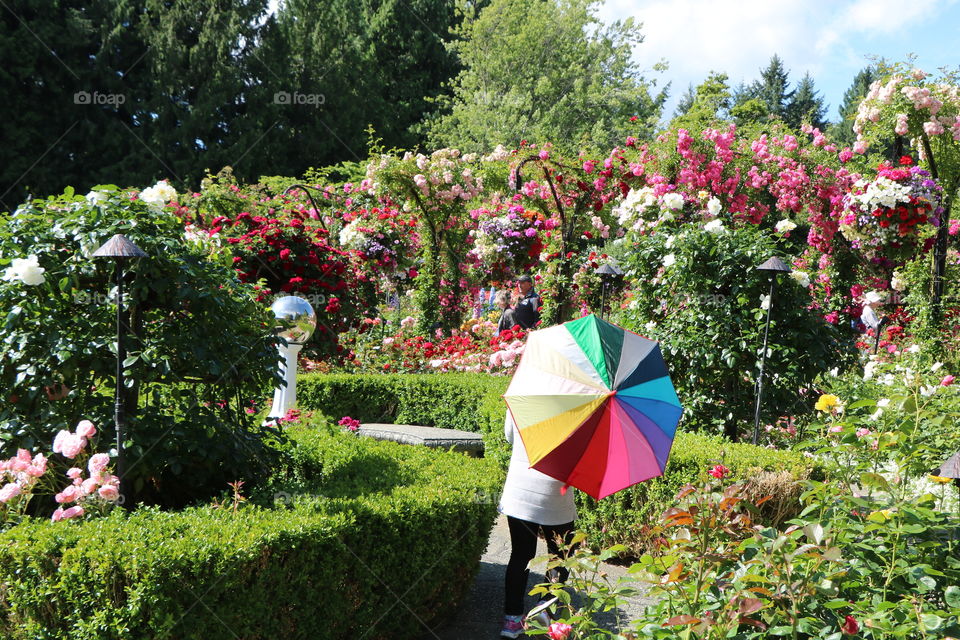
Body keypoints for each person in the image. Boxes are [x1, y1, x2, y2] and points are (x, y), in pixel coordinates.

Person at [498, 412, 576, 638]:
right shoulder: (578, 405)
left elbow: (510, 436)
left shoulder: (525, 392)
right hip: (555, 491)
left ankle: (511, 620)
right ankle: (546, 612)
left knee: (521, 554)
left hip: (520, 490)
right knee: (560, 556)